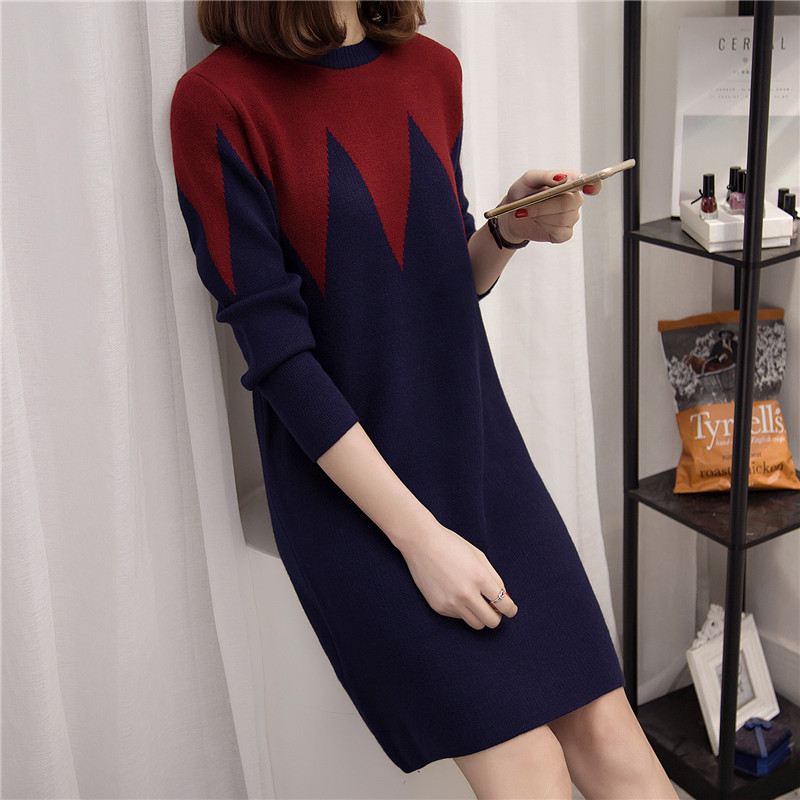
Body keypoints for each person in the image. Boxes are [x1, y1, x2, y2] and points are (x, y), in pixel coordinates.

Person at [169, 2, 679, 797]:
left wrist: (507, 231)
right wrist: (421, 540)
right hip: (348, 490)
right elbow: (280, 361)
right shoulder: (218, 101)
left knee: (619, 746)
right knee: (531, 770)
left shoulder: (432, 69)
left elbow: (440, 286)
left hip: (479, 454)